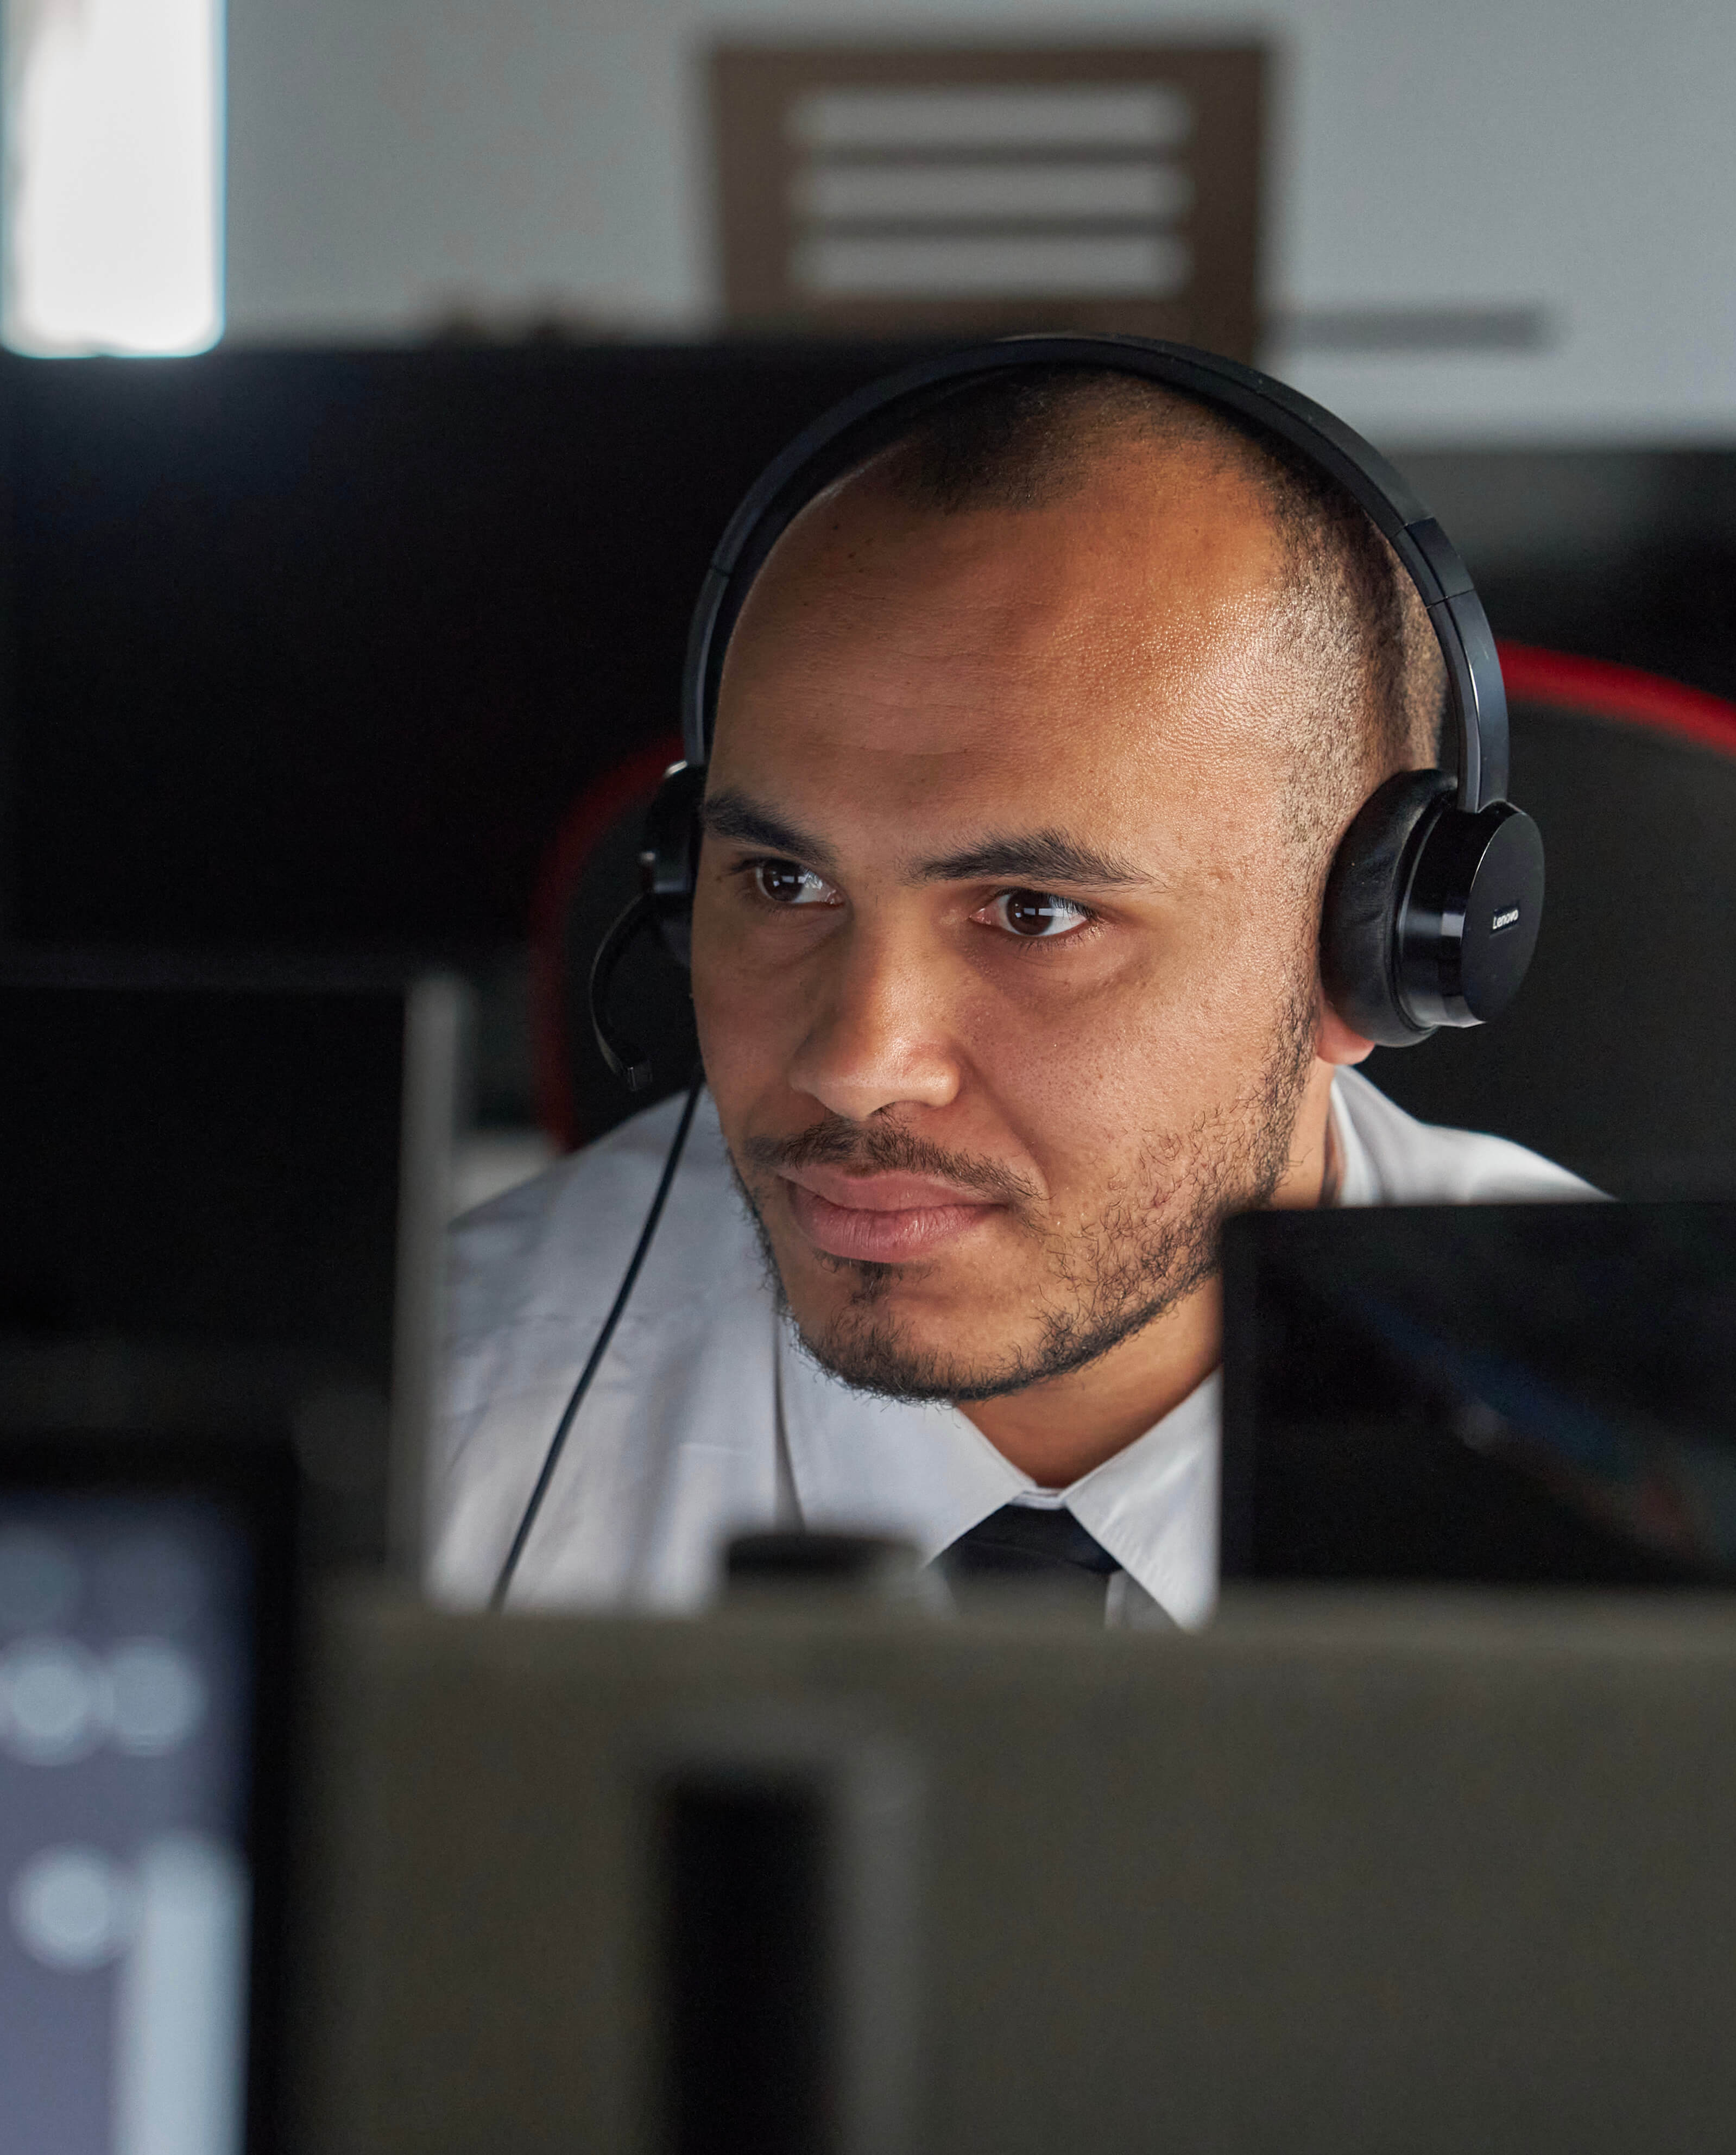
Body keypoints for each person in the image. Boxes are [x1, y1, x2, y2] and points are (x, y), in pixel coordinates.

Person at [428, 356, 1592, 1627]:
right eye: (780, 881)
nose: (857, 1062)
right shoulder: (416, 1451)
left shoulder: (1670, 1471)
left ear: (1375, 955)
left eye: (1035, 913)